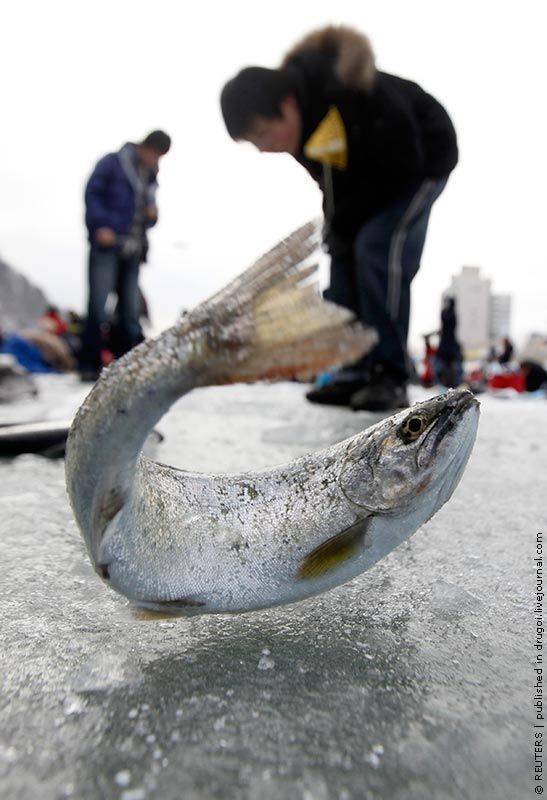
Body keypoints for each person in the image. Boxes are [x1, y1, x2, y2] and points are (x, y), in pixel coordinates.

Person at [220, 25, 458, 411]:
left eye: (263, 133)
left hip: (422, 161)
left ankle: (390, 372)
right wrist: (339, 226)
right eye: (255, 143)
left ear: (287, 103)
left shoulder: (349, 89)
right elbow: (333, 189)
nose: (265, 148)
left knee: (377, 248)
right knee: (342, 255)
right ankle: (354, 369)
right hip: (373, 183)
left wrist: (352, 220)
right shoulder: (303, 134)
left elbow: (402, 162)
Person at [78, 130, 171, 381]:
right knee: (98, 305)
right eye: (156, 155)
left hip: (133, 249)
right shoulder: (114, 163)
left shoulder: (150, 177)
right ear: (145, 147)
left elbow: (146, 213)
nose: (156, 161)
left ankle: (123, 370)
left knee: (130, 309)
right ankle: (89, 365)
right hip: (108, 245)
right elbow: (93, 192)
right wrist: (100, 226)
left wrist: (153, 215)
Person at [434, 297, 463, 388]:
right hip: (447, 346)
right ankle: (444, 384)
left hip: (449, 346)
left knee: (453, 367)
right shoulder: (447, 313)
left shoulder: (451, 314)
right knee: (441, 365)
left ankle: (451, 384)